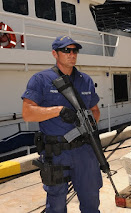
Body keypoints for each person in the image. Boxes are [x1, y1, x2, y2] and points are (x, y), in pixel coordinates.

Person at [21, 36, 102, 213]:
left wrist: (89, 123)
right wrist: (57, 111)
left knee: (91, 201)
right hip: (56, 153)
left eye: (75, 51)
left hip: (84, 151)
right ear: (54, 54)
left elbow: (95, 110)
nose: (72, 54)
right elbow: (27, 113)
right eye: (66, 50)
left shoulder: (85, 80)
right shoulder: (40, 79)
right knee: (56, 205)